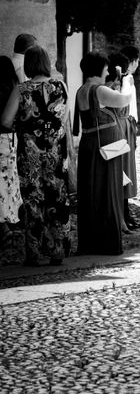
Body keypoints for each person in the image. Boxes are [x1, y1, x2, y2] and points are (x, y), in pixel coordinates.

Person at [3, 46, 70, 266]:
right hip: (55, 155)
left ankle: (34, 252)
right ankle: (58, 249)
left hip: (29, 156)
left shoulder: (21, 90)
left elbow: (5, 120)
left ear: (29, 65)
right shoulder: (60, 86)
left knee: (33, 201)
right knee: (56, 199)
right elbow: (62, 119)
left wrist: (25, 125)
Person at [73, 51, 131, 255]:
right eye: (106, 69)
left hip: (90, 142)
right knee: (109, 191)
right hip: (106, 144)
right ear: (99, 69)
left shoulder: (81, 90)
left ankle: (90, 241)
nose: (108, 72)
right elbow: (124, 101)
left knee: (91, 193)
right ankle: (107, 242)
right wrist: (127, 82)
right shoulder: (98, 90)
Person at [119, 46, 140, 230]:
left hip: (126, 124)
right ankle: (124, 214)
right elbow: (124, 101)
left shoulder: (122, 77)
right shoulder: (126, 78)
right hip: (127, 125)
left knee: (124, 171)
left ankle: (126, 212)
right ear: (133, 61)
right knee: (125, 171)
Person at [0, 56, 24, 265]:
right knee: (9, 184)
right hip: (10, 140)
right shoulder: (15, 89)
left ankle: (4, 227)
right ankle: (10, 223)